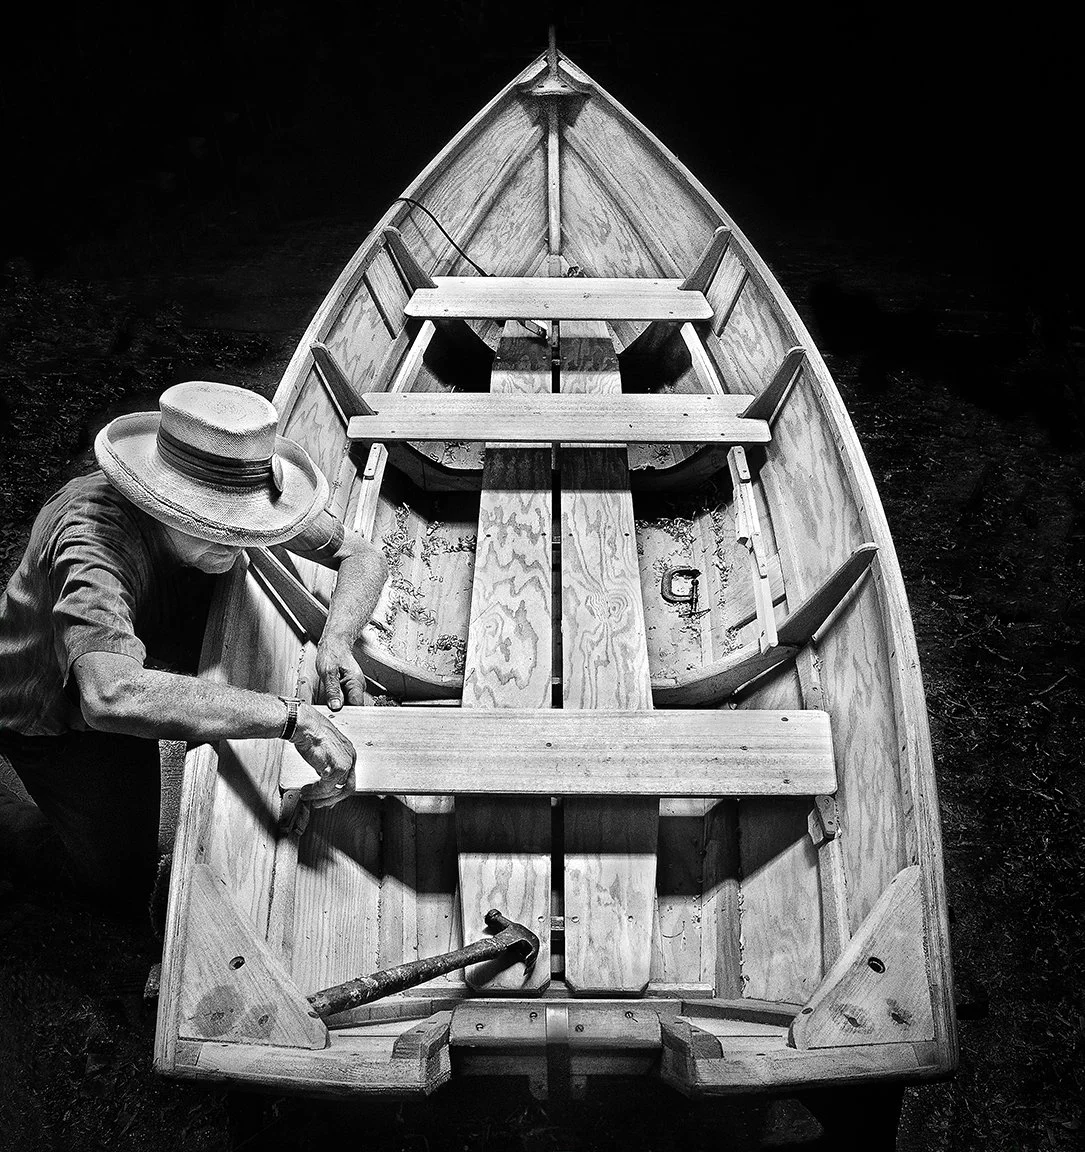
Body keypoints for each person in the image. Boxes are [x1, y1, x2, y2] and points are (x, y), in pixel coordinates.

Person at [0, 380, 388, 910]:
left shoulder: (249, 498)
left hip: (134, 648)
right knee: (119, 884)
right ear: (158, 502)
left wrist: (337, 637)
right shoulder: (92, 539)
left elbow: (360, 555)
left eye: (246, 527)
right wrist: (291, 717)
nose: (238, 543)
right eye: (213, 527)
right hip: (50, 700)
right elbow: (108, 695)